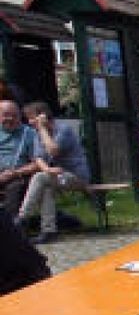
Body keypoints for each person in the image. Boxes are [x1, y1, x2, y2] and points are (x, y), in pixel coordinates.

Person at [17, 102, 89, 245]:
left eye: (32, 118)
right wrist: (48, 169)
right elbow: (38, 158)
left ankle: (22, 218)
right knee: (45, 185)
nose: (29, 122)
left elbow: (53, 150)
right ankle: (48, 231)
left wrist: (43, 128)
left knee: (40, 178)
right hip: (55, 176)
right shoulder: (38, 134)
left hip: (76, 176)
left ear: (42, 116)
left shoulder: (63, 130)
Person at [0, 99, 38, 220]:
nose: (10, 119)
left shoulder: (30, 134)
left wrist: (15, 173)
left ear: (20, 116)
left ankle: (12, 228)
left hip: (19, 176)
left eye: (14, 115)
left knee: (14, 188)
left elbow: (37, 163)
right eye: (6, 115)